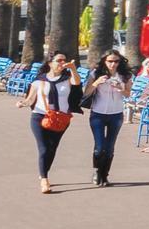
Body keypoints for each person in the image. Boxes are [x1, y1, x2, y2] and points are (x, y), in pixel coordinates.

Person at [18, 53, 82, 194]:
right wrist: (23, 103)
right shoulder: (39, 80)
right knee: (44, 148)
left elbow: (77, 83)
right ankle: (44, 179)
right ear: (49, 63)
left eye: (64, 60)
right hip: (40, 116)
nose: (62, 63)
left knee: (52, 148)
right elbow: (30, 99)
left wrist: (73, 69)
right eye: (59, 60)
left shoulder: (67, 79)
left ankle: (43, 171)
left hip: (61, 118)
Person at [84, 50, 133, 186]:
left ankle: (105, 175)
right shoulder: (96, 73)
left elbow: (128, 94)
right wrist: (97, 83)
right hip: (98, 113)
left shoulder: (125, 75)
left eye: (116, 61)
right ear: (104, 61)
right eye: (110, 61)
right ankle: (97, 171)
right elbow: (86, 92)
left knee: (110, 147)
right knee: (100, 146)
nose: (113, 64)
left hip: (116, 114)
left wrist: (120, 88)